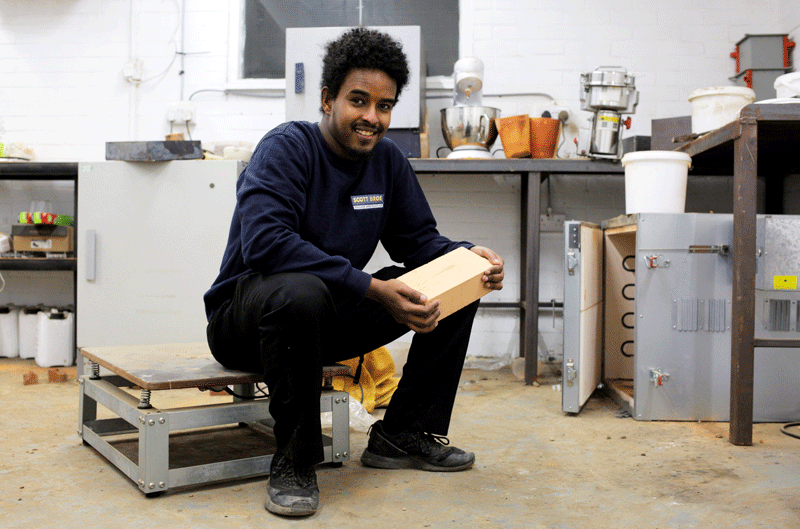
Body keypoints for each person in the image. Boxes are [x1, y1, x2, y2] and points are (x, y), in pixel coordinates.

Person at [204, 27, 504, 517]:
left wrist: (471, 257)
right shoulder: (286, 148)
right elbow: (266, 244)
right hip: (246, 321)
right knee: (302, 292)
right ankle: (295, 460)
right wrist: (373, 288)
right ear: (327, 99)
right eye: (358, 101)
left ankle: (402, 432)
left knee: (452, 283)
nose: (372, 117)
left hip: (325, 318)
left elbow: (421, 244)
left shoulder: (386, 162)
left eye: (384, 106)